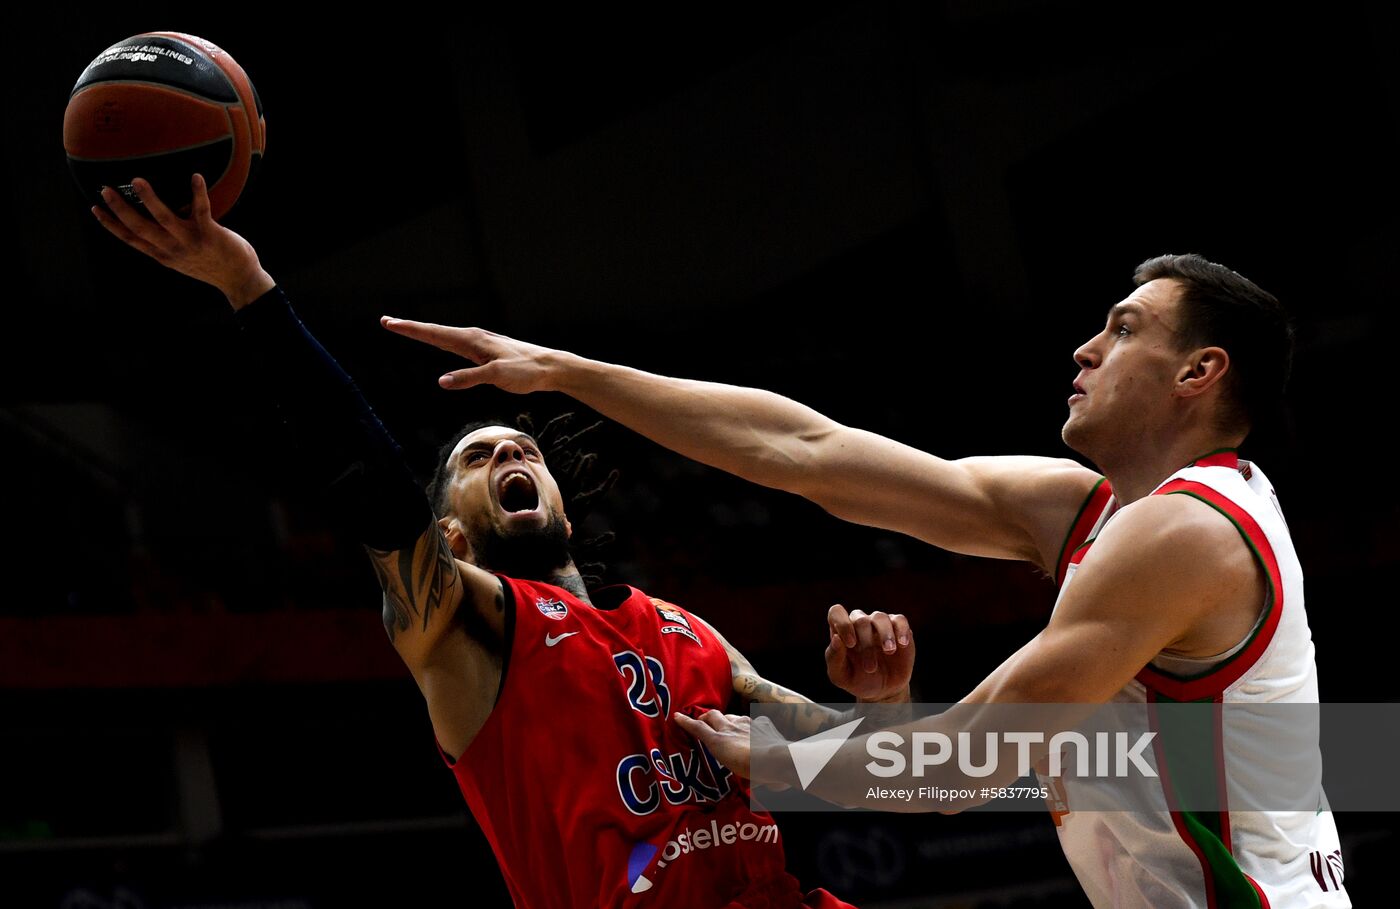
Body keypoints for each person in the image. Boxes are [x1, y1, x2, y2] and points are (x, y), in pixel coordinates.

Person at [379, 256, 1349, 908]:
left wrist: (781, 758)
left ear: (1198, 373)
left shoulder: (1184, 532)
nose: (1084, 349)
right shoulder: (1086, 507)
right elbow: (803, 450)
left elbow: (959, 769)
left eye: (1123, 330)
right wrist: (567, 374)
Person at [89, 175, 917, 908]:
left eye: (522, 450)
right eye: (476, 458)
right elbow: (371, 490)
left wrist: (879, 705)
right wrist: (249, 288)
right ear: (448, 529)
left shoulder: (688, 629)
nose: (509, 456)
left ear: (557, 489)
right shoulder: (464, 628)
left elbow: (894, 774)